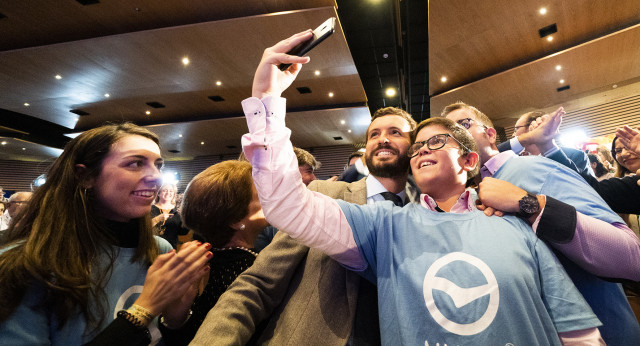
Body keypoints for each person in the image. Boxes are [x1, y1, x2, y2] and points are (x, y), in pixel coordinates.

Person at [235, 30, 602, 345]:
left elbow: (579, 334)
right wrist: (267, 100)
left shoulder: (516, 224)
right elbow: (286, 204)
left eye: (437, 141)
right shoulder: (384, 226)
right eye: (419, 146)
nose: (423, 149)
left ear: (470, 161)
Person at [192, 106, 418, 345]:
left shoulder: (429, 210)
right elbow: (260, 284)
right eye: (374, 134)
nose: (382, 139)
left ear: (414, 147)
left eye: (395, 132)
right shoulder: (323, 195)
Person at [443, 103, 640, 344]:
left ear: (491, 134)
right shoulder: (468, 198)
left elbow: (630, 256)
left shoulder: (536, 168)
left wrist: (528, 204)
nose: (456, 136)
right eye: (445, 134)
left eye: (463, 125)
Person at [0, 123, 211, 345]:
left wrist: (175, 320)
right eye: (136, 163)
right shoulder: (26, 264)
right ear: (85, 177)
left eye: (158, 165)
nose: (156, 177)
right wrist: (143, 309)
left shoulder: (159, 251)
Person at [159, 160, 267, 345]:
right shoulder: (249, 268)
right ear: (235, 219)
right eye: (262, 195)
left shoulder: (209, 261)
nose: (271, 199)